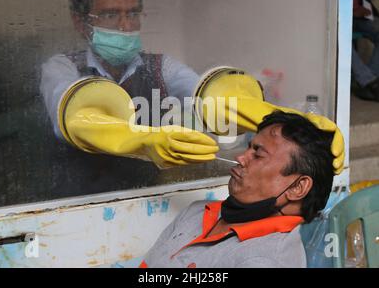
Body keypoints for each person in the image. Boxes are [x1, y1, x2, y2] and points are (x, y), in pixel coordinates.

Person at [140, 111, 335, 268]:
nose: (241, 158)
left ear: (298, 187)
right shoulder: (198, 211)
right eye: (249, 148)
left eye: (258, 154)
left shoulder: (265, 261)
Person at [40, 0, 200, 139]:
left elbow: (203, 94)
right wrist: (142, 142)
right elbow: (69, 119)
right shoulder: (62, 68)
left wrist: (223, 103)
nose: (126, 26)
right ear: (80, 22)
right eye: (110, 15)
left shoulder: (161, 67)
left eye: (132, 14)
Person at [351, 0, 379, 101]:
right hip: (340, 19)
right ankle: (369, 82)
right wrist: (351, 12)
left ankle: (368, 81)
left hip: (362, 17)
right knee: (341, 40)